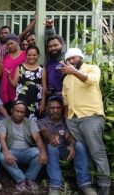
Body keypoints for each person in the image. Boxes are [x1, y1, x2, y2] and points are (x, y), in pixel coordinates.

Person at [61, 48, 111, 195]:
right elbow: (65, 103)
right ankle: (91, 184)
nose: (71, 61)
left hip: (91, 117)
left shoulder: (92, 68)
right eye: (68, 59)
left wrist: (73, 71)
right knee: (84, 153)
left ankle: (104, 186)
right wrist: (67, 122)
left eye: (74, 58)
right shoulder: (66, 79)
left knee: (97, 152)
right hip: (73, 120)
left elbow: (92, 80)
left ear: (81, 58)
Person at [37, 96, 97, 195]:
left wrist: (72, 145)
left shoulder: (66, 122)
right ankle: (55, 186)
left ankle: (85, 184)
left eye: (58, 108)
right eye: (52, 108)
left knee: (79, 146)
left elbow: (68, 135)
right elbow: (44, 131)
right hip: (50, 153)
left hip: (64, 151)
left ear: (62, 109)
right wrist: (52, 137)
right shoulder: (41, 121)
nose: (55, 110)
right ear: (47, 109)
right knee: (52, 146)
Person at [0, 101, 47, 192]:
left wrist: (43, 153)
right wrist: (7, 152)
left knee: (38, 152)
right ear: (12, 110)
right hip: (12, 152)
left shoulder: (30, 122)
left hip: (27, 151)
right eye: (17, 111)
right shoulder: (3, 122)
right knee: (2, 156)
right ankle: (21, 180)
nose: (19, 114)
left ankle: (30, 178)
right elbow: (2, 139)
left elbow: (37, 138)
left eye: (22, 112)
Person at [9, 45, 46, 120]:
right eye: (29, 55)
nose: (31, 57)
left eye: (34, 55)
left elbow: (44, 87)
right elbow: (14, 84)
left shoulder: (42, 69)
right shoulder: (20, 67)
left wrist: (43, 102)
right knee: (20, 120)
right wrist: (8, 76)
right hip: (22, 99)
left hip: (35, 101)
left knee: (33, 123)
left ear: (38, 55)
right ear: (26, 55)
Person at [0, 34, 26, 111]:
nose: (10, 46)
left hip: (19, 87)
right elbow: (0, 74)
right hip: (6, 87)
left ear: (17, 42)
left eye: (12, 43)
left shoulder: (25, 54)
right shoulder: (5, 57)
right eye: (8, 45)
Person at [44, 19, 65, 97]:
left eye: (55, 45)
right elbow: (49, 38)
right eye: (50, 47)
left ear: (62, 45)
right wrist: (49, 28)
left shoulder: (67, 60)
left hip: (64, 98)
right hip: (51, 98)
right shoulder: (49, 61)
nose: (53, 48)